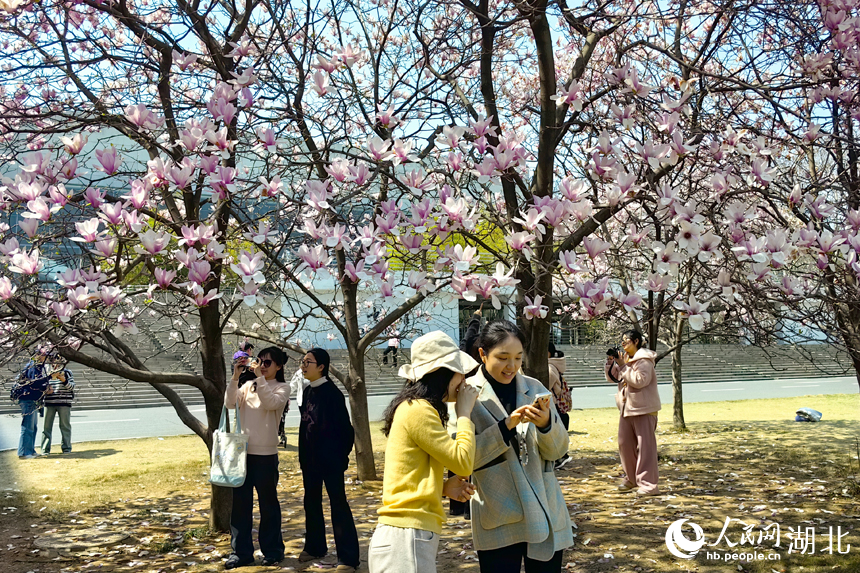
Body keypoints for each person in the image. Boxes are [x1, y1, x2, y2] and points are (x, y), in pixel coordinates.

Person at [369, 331, 480, 573]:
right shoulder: (419, 410)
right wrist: (464, 414)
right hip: (407, 536)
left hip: (402, 535)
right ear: (444, 373)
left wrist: (440, 488)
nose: (463, 378)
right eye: (459, 371)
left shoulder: (413, 407)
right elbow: (463, 463)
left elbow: (404, 477)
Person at [467, 321, 573, 573]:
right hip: (498, 506)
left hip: (543, 504)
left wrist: (547, 425)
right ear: (482, 354)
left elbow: (558, 451)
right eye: (502, 358)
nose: (511, 366)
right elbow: (464, 458)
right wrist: (506, 426)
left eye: (517, 357)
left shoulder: (535, 388)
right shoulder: (467, 395)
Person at [224, 346, 290, 569]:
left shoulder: (282, 387)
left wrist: (260, 379)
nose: (262, 366)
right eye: (260, 361)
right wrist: (235, 377)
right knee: (240, 506)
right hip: (243, 454)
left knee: (268, 505)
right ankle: (241, 552)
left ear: (279, 366)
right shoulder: (247, 386)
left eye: (268, 363)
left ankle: (272, 550)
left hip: (266, 454)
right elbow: (229, 403)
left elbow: (271, 403)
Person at [298, 348, 360, 573]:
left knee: (338, 505)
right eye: (302, 361)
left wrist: (340, 458)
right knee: (311, 503)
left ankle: (348, 558)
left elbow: (346, 430)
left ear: (321, 366)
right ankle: (315, 547)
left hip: (331, 461)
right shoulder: (307, 392)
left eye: (308, 362)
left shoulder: (333, 394)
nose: (303, 366)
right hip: (310, 461)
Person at [604, 329, 661, 496]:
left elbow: (640, 381)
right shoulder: (626, 359)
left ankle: (649, 485)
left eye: (626, 340)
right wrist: (612, 362)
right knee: (624, 444)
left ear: (636, 341)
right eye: (622, 340)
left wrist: (622, 366)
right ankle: (631, 479)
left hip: (644, 409)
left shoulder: (644, 360)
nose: (623, 343)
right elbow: (612, 377)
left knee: (646, 448)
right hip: (627, 408)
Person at [15, 349, 54, 459]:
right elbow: (34, 382)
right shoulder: (33, 366)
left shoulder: (37, 366)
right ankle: (24, 452)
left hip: (32, 399)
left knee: (33, 426)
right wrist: (50, 377)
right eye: (44, 355)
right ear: (38, 355)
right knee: (27, 426)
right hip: (28, 398)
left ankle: (30, 450)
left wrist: (46, 388)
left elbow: (38, 383)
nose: (46, 358)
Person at [41, 356, 76, 454]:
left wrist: (63, 380)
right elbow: (42, 386)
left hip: (64, 402)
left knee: (65, 426)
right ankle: (45, 449)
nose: (56, 364)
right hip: (49, 402)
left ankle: (66, 448)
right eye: (54, 361)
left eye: (59, 361)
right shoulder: (47, 373)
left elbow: (72, 387)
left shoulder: (67, 372)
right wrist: (46, 389)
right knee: (46, 427)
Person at [547, 342, 572, 469]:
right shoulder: (554, 366)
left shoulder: (550, 368)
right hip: (556, 404)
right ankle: (561, 456)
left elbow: (546, 386)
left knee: (554, 433)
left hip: (553, 404)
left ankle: (561, 457)